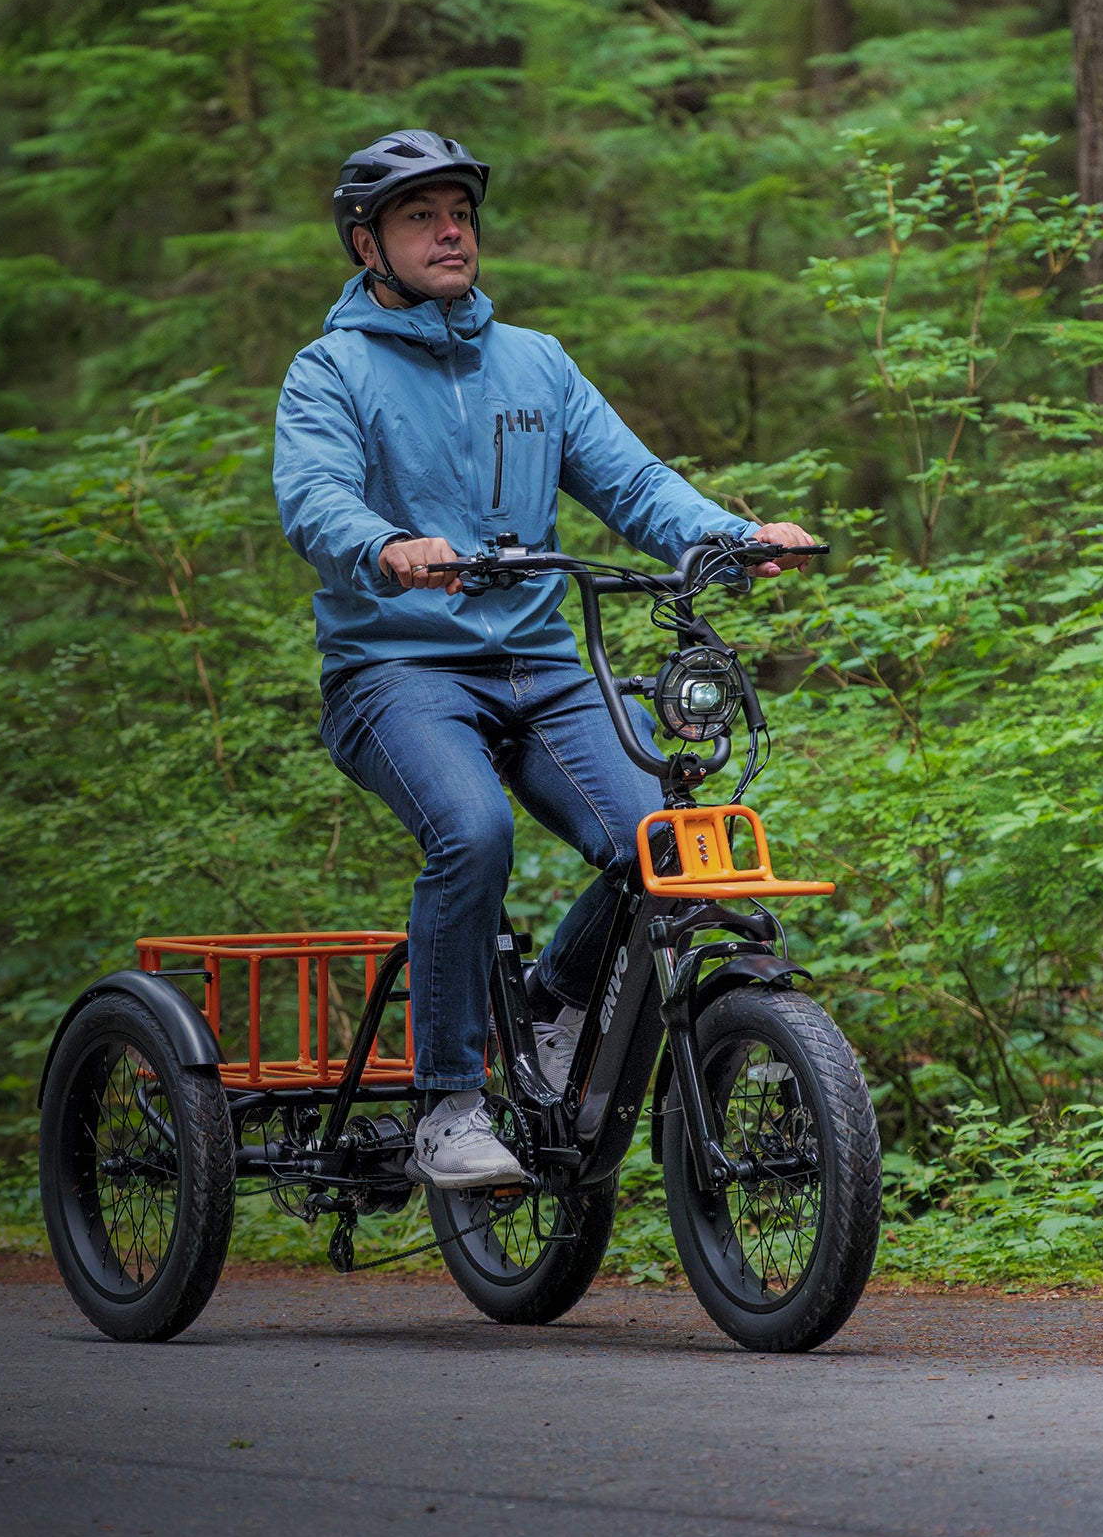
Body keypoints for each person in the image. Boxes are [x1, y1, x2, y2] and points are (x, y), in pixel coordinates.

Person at [272, 130, 817, 1190]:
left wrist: (731, 536)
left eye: (459, 213)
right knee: (471, 832)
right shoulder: (330, 370)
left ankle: (558, 1002)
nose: (449, 231)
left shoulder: (535, 362)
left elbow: (635, 483)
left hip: (543, 669)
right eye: (420, 216)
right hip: (397, 673)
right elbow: (315, 497)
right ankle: (448, 1103)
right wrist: (386, 546)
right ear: (366, 244)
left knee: (663, 846)